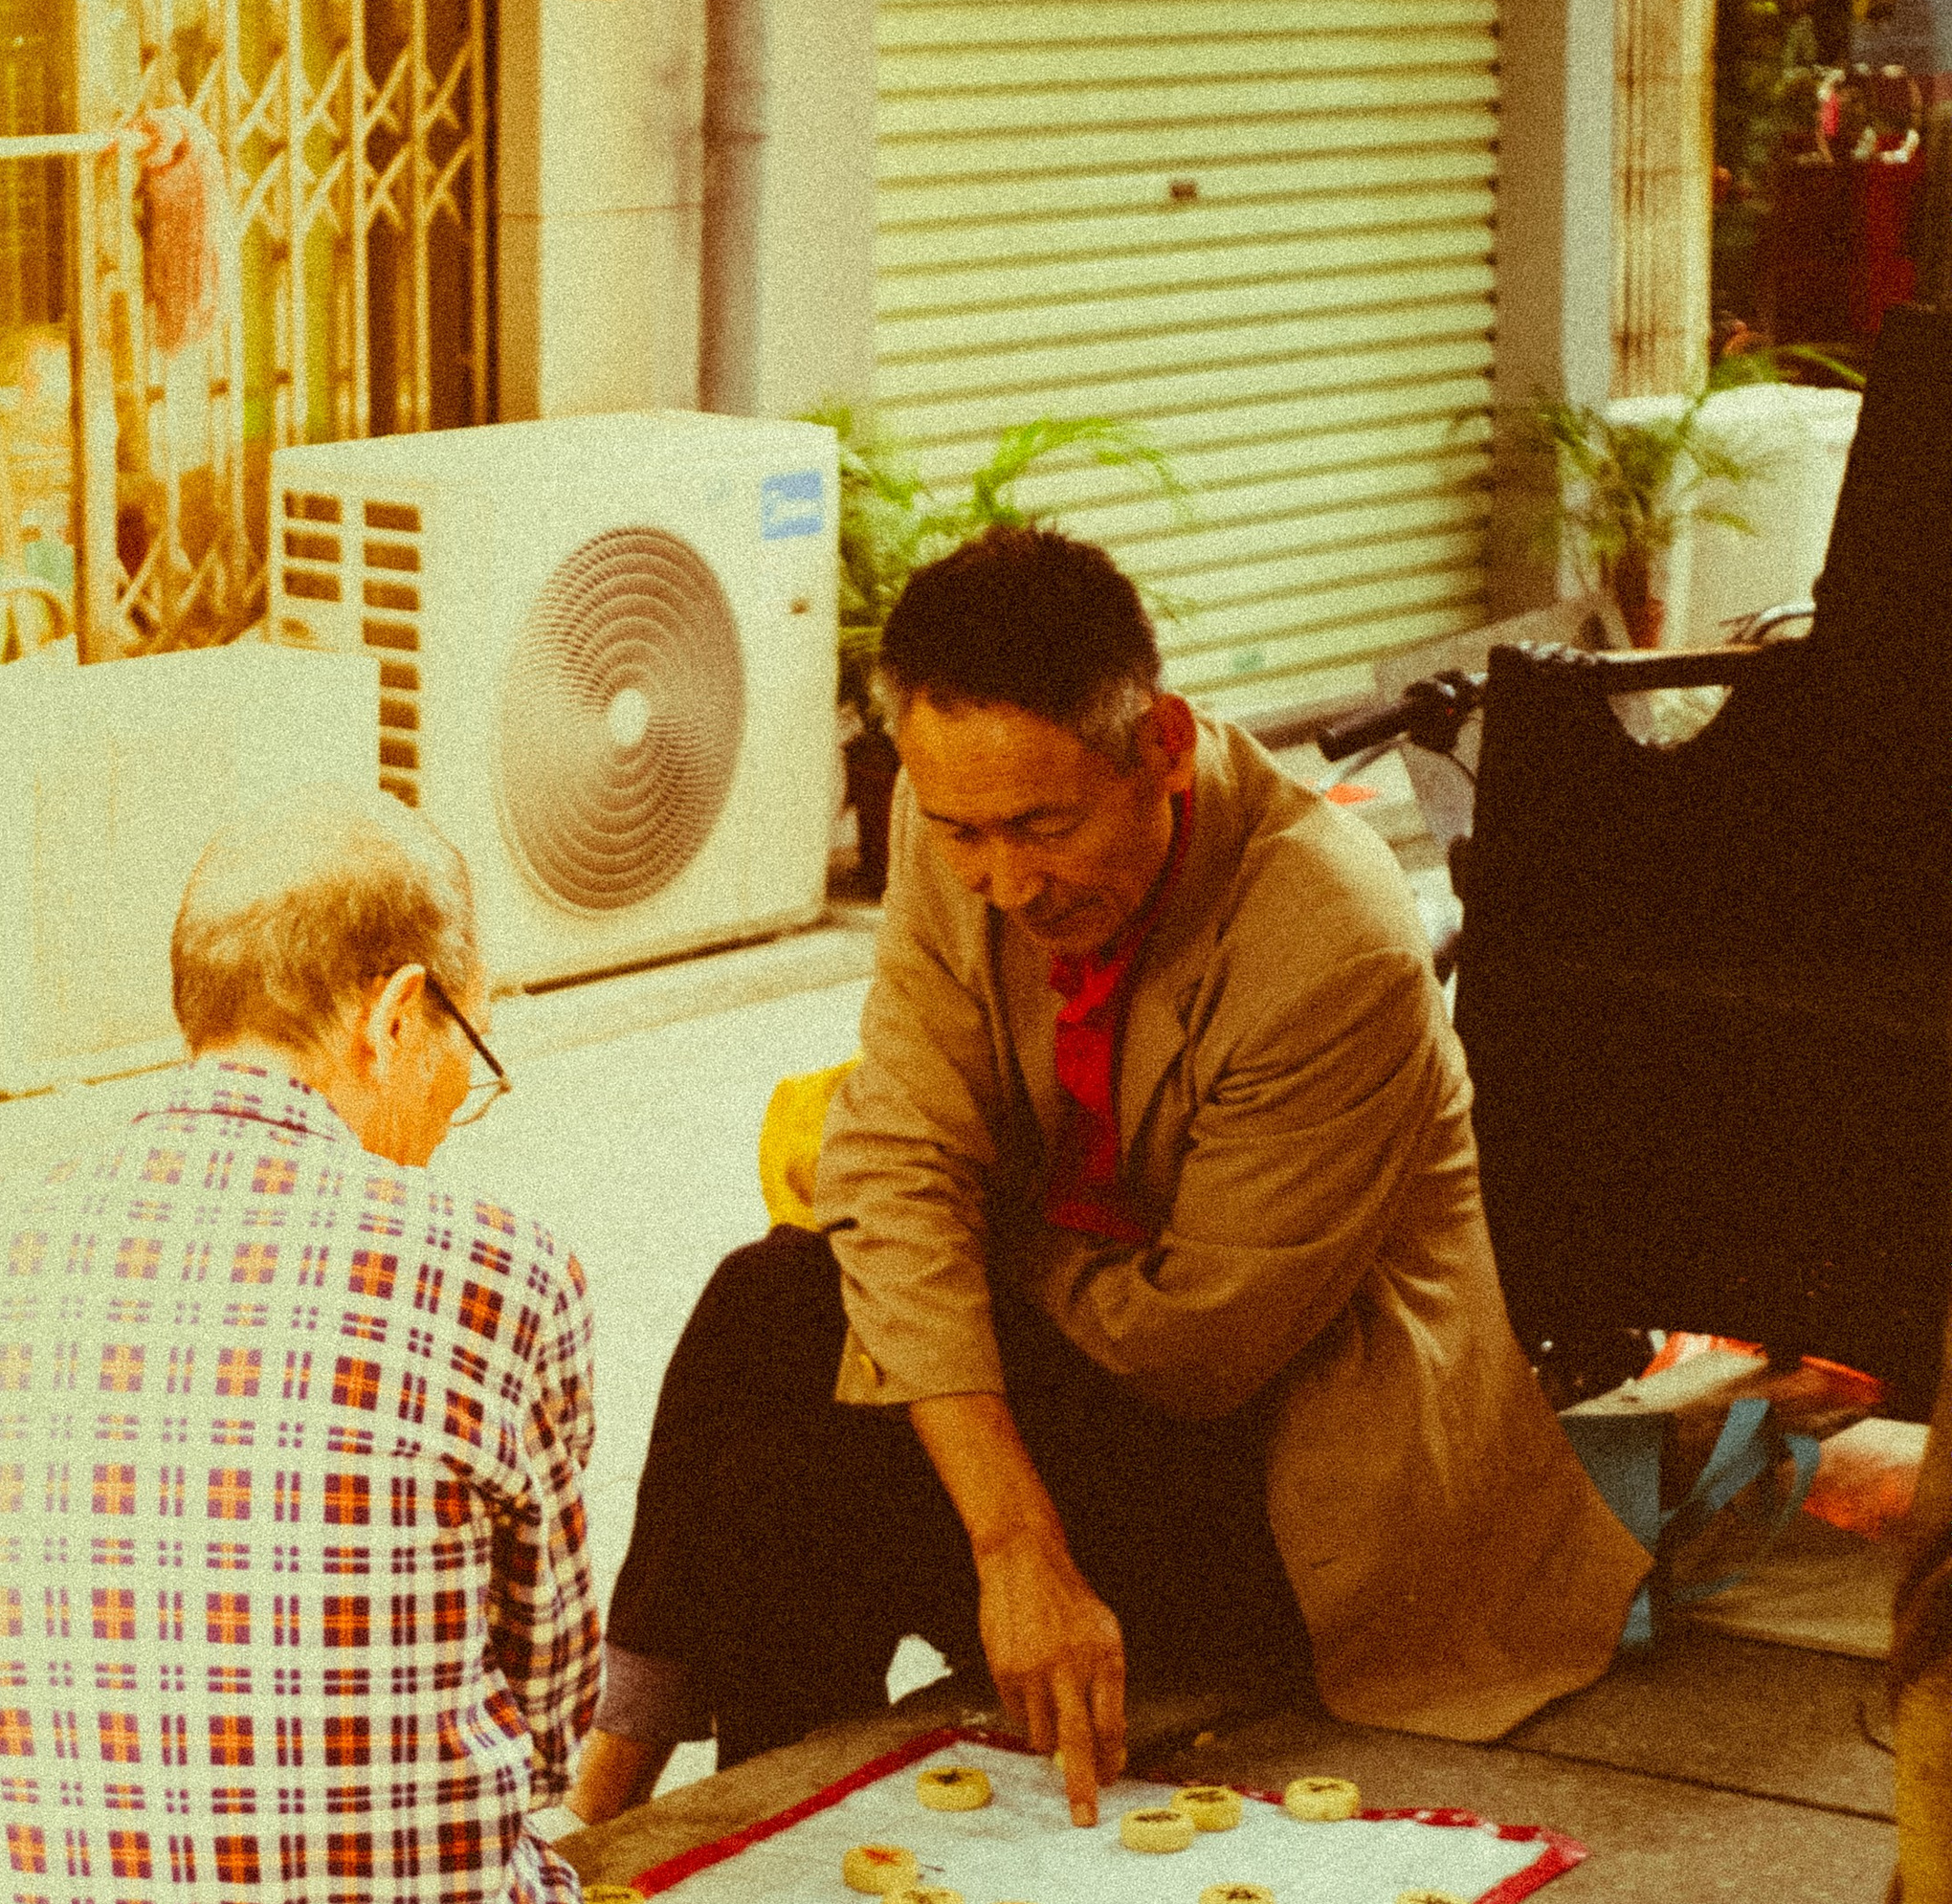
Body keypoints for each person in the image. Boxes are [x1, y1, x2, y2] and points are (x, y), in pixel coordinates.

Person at [571, 526, 1645, 1831]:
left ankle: (691, 1810)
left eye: (1045, 826)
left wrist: (963, 1231)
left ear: (1163, 746)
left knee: (829, 1366)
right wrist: (1001, 1504)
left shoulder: (1328, 931)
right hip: (1087, 1379)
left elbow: (1193, 1347)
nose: (1008, 879)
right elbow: (899, 1158)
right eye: (967, 833)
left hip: (1284, 1479)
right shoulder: (949, 815)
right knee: (786, 1333)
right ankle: (708, 1814)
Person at [0, 786, 598, 1904]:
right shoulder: (496, 1269)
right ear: (395, 1014)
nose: (464, 1094)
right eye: (470, 1039)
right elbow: (552, 1723)